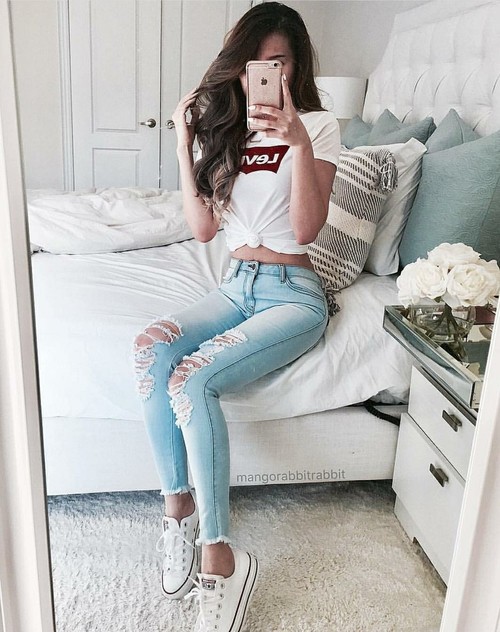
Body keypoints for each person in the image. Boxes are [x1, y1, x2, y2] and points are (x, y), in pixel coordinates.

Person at [133, 3, 340, 630]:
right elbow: (203, 230)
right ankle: (179, 514)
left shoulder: (320, 126)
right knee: (150, 347)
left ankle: (221, 557)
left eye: (278, 63)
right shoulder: (230, 132)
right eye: (255, 63)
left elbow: (306, 229)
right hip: (235, 284)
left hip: (293, 293)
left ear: (296, 67)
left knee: (191, 377)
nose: (265, 75)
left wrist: (297, 140)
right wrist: (184, 143)